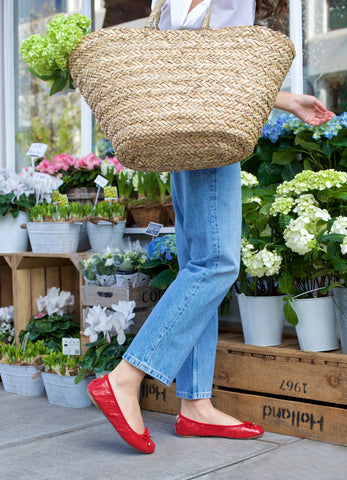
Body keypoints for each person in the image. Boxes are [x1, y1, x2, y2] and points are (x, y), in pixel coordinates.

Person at [87, 0, 334, 454]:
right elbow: (224, 73)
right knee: (217, 265)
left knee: (198, 265)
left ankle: (196, 404)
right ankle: (126, 378)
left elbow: (190, 67)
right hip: (212, 132)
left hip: (176, 128)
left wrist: (286, 100)